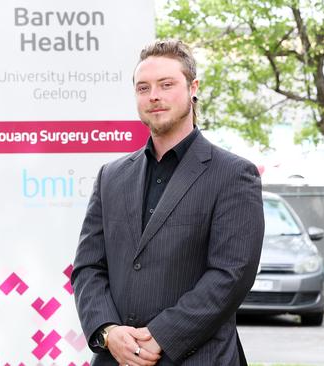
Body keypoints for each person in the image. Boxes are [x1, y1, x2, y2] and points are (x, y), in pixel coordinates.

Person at [71, 39, 264, 366]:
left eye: (166, 84)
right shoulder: (111, 177)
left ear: (193, 87)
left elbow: (231, 274)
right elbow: (88, 267)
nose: (154, 96)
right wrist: (107, 331)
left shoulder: (233, 174)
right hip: (115, 359)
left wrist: (162, 334)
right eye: (143, 88)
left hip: (200, 357)